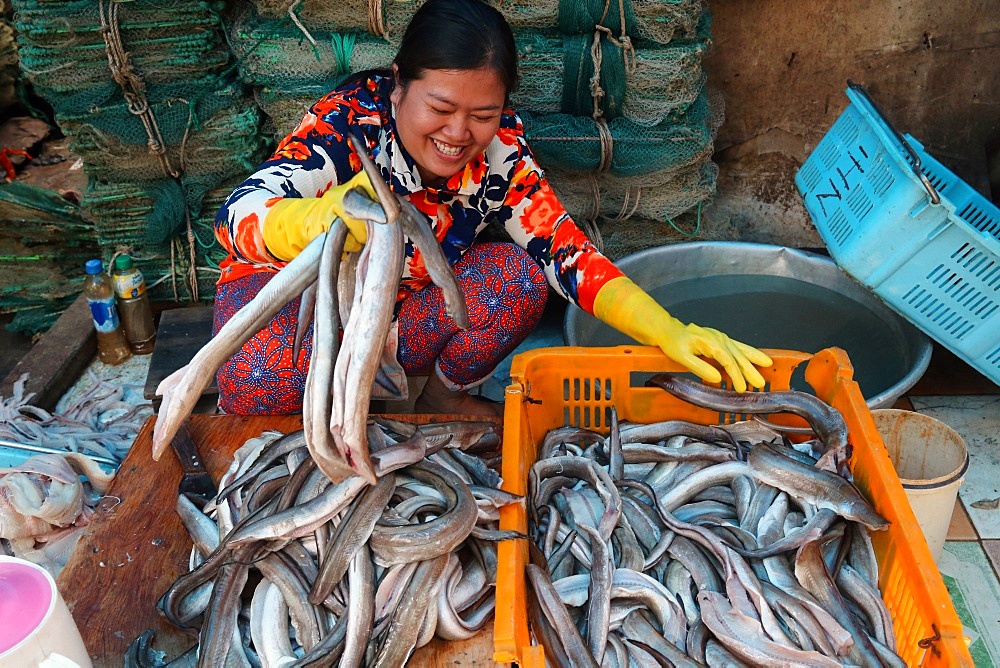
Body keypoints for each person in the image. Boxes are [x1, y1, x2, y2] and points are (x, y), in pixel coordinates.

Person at [212, 0, 772, 417]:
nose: (458, 134)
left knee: (518, 281)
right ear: (400, 86)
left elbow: (567, 253)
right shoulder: (346, 125)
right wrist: (322, 218)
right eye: (440, 107)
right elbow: (236, 218)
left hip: (402, 310)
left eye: (482, 113)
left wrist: (667, 329)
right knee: (254, 376)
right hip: (304, 305)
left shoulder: (500, 152)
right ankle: (342, 394)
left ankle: (436, 398)